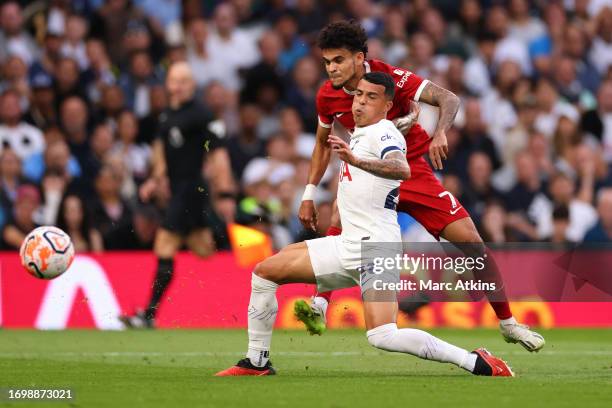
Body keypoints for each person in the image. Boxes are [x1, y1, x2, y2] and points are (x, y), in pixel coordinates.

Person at [215, 73, 514, 377]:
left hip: (375, 246)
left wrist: (356, 161)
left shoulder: (382, 134)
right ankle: (256, 362)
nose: (360, 102)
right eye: (358, 95)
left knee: (382, 335)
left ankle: (475, 361)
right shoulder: (362, 133)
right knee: (265, 273)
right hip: (348, 244)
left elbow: (401, 167)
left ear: (387, 105)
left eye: (371, 97)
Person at [296, 21, 545, 352]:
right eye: (327, 62)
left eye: (338, 60)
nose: (331, 69)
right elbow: (322, 144)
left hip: (412, 171)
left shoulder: (391, 78)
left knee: (472, 242)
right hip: (368, 172)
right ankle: (319, 305)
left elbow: (448, 98)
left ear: (359, 58)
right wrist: (309, 193)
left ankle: (508, 323)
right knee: (339, 216)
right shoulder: (327, 95)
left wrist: (440, 131)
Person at [119, 62, 235, 328]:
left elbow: (218, 155)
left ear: (192, 85)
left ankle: (148, 316)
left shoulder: (201, 114)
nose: (178, 86)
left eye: (183, 81)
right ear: (168, 84)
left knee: (164, 244)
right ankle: (238, 243)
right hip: (180, 192)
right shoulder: (166, 115)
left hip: (192, 190)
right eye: (174, 81)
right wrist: (154, 179)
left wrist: (226, 192)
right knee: (203, 249)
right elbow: (163, 156)